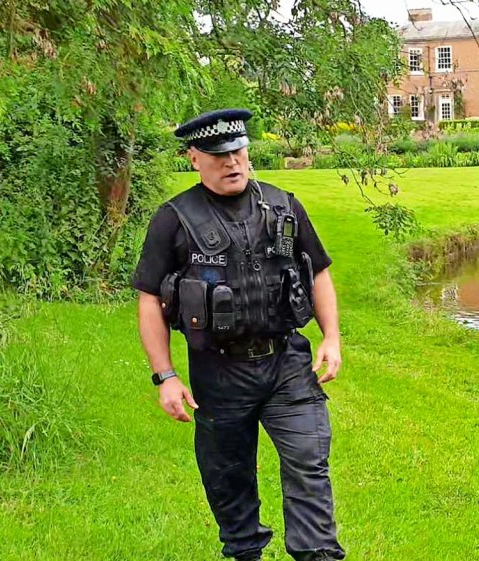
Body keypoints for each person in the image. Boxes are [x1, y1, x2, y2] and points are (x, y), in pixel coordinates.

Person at [132, 108, 346, 561]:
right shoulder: (175, 219)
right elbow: (149, 298)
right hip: (219, 372)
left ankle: (318, 555)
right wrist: (165, 376)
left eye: (237, 151)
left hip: (287, 361)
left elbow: (320, 272)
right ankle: (246, 552)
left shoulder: (284, 205)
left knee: (309, 464)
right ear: (194, 158)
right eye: (217, 155)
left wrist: (331, 337)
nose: (231, 162)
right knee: (228, 476)